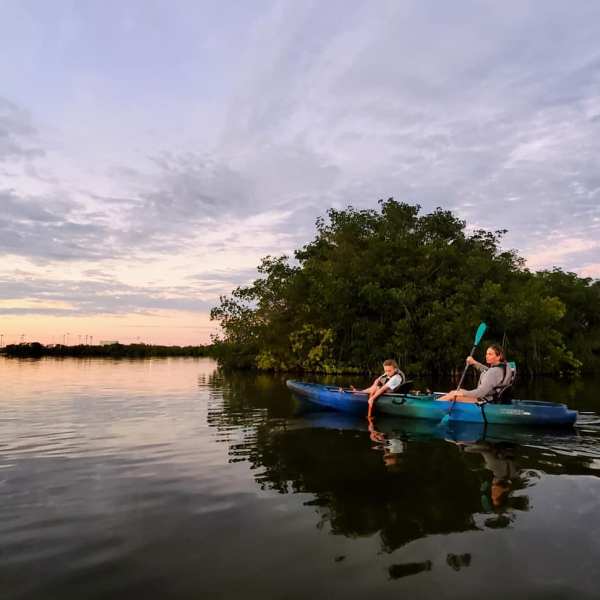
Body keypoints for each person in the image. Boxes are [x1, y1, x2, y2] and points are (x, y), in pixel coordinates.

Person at [438, 344, 513, 404]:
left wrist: (463, 393)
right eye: (486, 354)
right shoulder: (504, 367)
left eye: (490, 354)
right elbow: (487, 371)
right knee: (456, 392)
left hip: (485, 401)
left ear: (498, 357)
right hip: (497, 399)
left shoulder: (493, 372)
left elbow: (480, 393)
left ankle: (434, 405)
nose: (486, 356)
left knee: (452, 395)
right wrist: (474, 362)